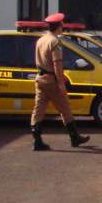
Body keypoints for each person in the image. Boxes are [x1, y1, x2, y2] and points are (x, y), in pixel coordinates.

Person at [29, 13, 90, 151]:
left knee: (38, 110)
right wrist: (61, 83)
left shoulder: (41, 40)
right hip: (51, 81)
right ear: (58, 27)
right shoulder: (55, 42)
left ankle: (37, 141)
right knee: (65, 108)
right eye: (62, 24)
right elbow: (57, 63)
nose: (63, 27)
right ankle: (74, 138)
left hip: (40, 79)